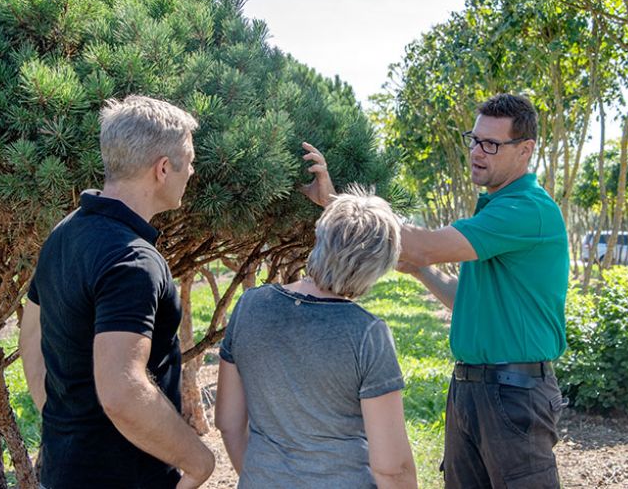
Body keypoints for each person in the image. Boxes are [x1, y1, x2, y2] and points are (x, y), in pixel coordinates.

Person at [301, 93, 568, 489]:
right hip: (471, 390)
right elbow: (469, 303)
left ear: (525, 150)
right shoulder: (494, 208)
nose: (477, 152)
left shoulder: (528, 209)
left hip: (514, 394)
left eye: (491, 144)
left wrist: (336, 202)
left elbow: (422, 244)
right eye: (474, 140)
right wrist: (423, 274)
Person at [20, 95, 215, 489]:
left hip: (62, 471)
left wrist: (70, 427)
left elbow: (31, 341)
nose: (192, 171)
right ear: (162, 169)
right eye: (189, 160)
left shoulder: (64, 233)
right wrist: (200, 462)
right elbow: (122, 391)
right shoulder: (134, 262)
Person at [214, 188, 417, 489]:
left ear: (320, 238)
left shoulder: (250, 305)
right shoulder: (367, 334)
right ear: (377, 265)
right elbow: (392, 468)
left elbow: (228, 424)